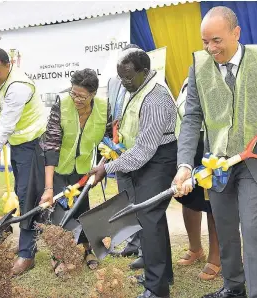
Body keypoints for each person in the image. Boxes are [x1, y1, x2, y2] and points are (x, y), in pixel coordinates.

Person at [173, 7, 257, 298]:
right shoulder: (199, 65)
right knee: (226, 227)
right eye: (205, 41)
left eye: (216, 40)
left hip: (255, 164)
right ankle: (233, 287)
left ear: (236, 33)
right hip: (217, 166)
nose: (210, 48)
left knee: (252, 228)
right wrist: (184, 165)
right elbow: (192, 117)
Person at [89, 46, 177, 298]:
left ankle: (157, 289)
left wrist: (108, 168)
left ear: (145, 72)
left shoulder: (156, 98)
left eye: (128, 77)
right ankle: (160, 275)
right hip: (143, 158)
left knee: (150, 219)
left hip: (157, 159)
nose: (124, 82)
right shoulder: (137, 89)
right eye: (121, 77)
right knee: (149, 220)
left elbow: (144, 150)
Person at [0, 47, 47, 275]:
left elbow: (6, 127)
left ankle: (26, 254)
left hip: (34, 145)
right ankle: (31, 244)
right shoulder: (4, 83)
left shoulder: (18, 88)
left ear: (8, 65)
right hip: (21, 145)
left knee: (27, 196)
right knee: (25, 195)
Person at [35, 68, 111, 274]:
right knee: (60, 212)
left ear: (93, 94)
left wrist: (101, 168)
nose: (76, 99)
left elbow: (110, 141)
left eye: (82, 96)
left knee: (83, 211)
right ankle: (59, 254)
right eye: (73, 93)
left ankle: (88, 250)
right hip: (60, 168)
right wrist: (49, 187)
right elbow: (50, 146)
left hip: (85, 170)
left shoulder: (104, 108)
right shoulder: (62, 105)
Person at [174, 78, 221, 280]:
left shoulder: (219, 79)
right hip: (188, 147)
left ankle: (216, 257)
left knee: (214, 204)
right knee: (188, 199)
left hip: (212, 147)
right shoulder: (187, 81)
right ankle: (196, 248)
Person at [106, 43, 143, 266]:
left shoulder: (146, 83)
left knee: (142, 200)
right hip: (118, 149)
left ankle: (144, 251)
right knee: (126, 198)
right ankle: (132, 242)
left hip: (139, 150)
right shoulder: (112, 82)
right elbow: (111, 111)